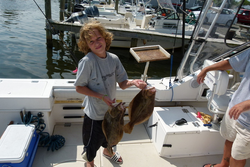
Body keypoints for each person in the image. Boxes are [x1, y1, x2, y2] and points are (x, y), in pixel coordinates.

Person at [74, 21, 147, 167]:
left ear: (105, 38)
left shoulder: (113, 59)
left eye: (99, 38)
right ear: (87, 45)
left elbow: (122, 83)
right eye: (91, 41)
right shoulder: (87, 62)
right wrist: (101, 97)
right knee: (91, 143)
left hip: (112, 112)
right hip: (95, 114)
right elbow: (79, 88)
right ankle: (90, 163)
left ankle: (108, 151)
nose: (96, 43)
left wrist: (134, 82)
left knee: (112, 137)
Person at [197, 49, 250, 167]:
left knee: (238, 156)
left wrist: (246, 104)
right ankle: (223, 164)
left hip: (248, 123)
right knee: (229, 138)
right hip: (234, 108)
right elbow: (232, 63)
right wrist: (207, 69)